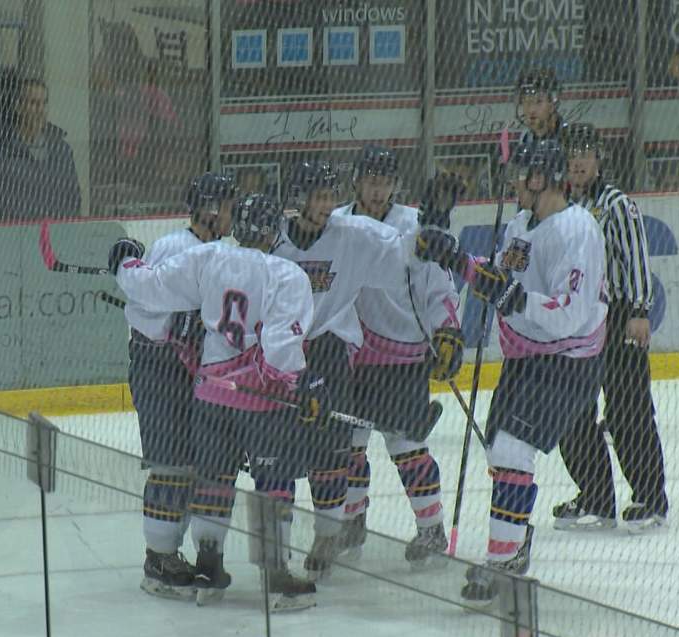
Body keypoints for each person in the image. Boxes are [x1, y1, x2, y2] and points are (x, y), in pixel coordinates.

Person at [416, 139, 607, 605]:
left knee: (511, 449)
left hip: (566, 362)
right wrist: (456, 258)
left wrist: (514, 298)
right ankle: (513, 543)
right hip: (526, 358)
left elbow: (571, 312)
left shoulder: (577, 231)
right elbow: (498, 282)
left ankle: (502, 561)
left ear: (542, 177)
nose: (514, 181)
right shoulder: (522, 223)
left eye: (522, 173)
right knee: (501, 455)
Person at [110, 192, 320, 611]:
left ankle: (209, 568)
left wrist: (125, 264)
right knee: (273, 484)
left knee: (214, 481)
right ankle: (275, 574)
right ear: (273, 229)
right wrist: (303, 384)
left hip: (210, 395)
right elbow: (280, 346)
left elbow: (152, 288)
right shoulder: (286, 273)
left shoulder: (208, 257)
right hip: (263, 403)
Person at [270, 159, 429, 581]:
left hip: (327, 351)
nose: (326, 204)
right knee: (278, 455)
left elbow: (406, 250)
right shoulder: (273, 240)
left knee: (332, 454)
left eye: (329, 196)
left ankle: (327, 534)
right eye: (317, 196)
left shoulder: (353, 236)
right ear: (298, 198)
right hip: (279, 354)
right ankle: (276, 548)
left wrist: (437, 222)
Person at [328, 145, 462, 570]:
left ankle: (432, 526)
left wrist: (448, 333)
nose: (377, 188)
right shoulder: (338, 223)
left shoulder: (414, 224)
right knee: (348, 445)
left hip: (402, 353)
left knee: (407, 446)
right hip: (350, 354)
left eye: (385, 181)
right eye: (371, 179)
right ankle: (351, 520)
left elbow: (441, 282)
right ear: (357, 181)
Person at [125, 173, 237, 600]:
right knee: (171, 464)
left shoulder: (222, 251)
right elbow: (145, 305)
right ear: (210, 207)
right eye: (227, 205)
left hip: (196, 373)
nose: (231, 213)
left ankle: (187, 551)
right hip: (161, 367)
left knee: (198, 462)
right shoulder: (175, 246)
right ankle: (158, 560)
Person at [554, 124, 670, 533]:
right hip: (577, 318)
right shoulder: (561, 205)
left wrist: (639, 309)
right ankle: (596, 496)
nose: (579, 160)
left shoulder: (616, 204)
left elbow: (637, 256)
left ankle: (650, 497)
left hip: (618, 314)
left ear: (599, 157)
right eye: (572, 152)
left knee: (628, 410)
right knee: (572, 409)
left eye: (586, 152)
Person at [0, 78, 81, 221]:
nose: (40, 110)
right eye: (34, 103)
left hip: (55, 235)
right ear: (18, 107)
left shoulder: (61, 150)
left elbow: (73, 198)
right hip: (15, 236)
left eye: (44, 103)